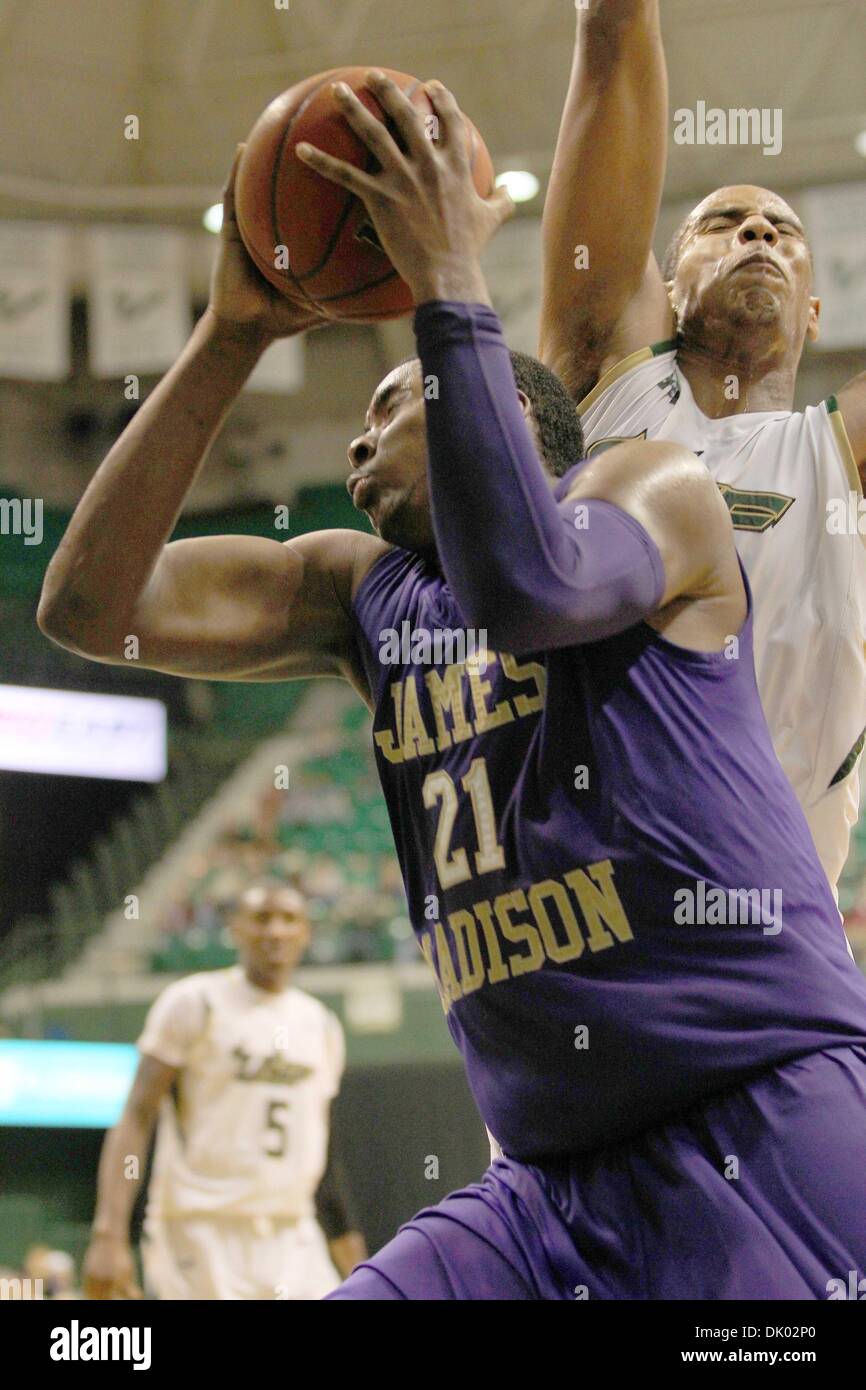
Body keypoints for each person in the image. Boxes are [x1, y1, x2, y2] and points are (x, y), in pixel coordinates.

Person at [43, 72, 866, 1299]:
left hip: (749, 1123)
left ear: (511, 414)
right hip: (536, 1182)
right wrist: (232, 335)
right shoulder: (356, 594)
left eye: (388, 406)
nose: (354, 443)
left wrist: (447, 278)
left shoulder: (652, 488)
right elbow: (88, 611)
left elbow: (529, 588)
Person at [539, 0, 866, 893]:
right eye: (722, 224)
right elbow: (610, 46)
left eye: (782, 230)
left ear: (812, 311)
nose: (758, 231)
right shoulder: (613, 379)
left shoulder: (838, 453)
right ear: (668, 288)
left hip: (775, 928)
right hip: (588, 909)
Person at [82, 882, 365, 1300]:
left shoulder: (320, 1024)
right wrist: (109, 1232)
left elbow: (323, 1157)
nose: (275, 931)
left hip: (292, 1231)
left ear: (306, 932)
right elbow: (136, 1118)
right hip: (200, 1227)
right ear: (235, 929)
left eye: (289, 920)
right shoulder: (194, 1001)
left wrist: (355, 1259)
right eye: (262, 918)